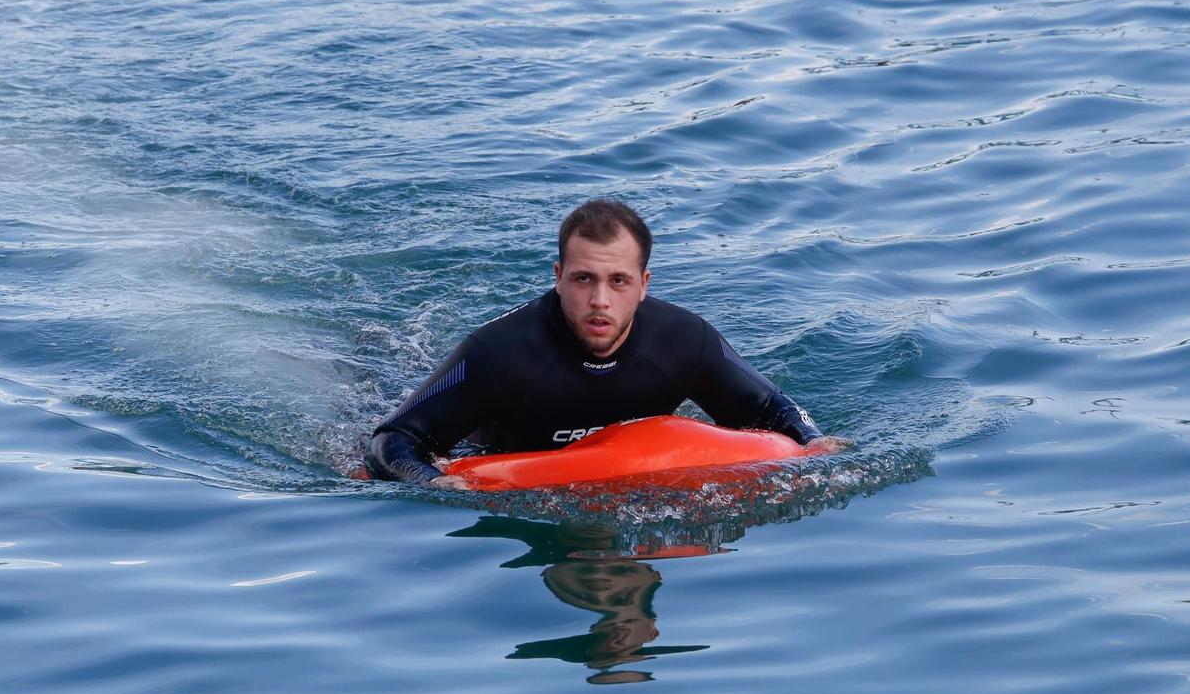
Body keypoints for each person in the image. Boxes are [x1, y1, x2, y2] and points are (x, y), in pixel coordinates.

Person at [364, 198, 851, 487]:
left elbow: (771, 408)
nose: (600, 300)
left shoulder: (684, 340)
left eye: (618, 281)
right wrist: (436, 483)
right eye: (583, 279)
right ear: (558, 278)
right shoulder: (499, 354)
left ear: (644, 285)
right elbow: (392, 440)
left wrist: (813, 441)